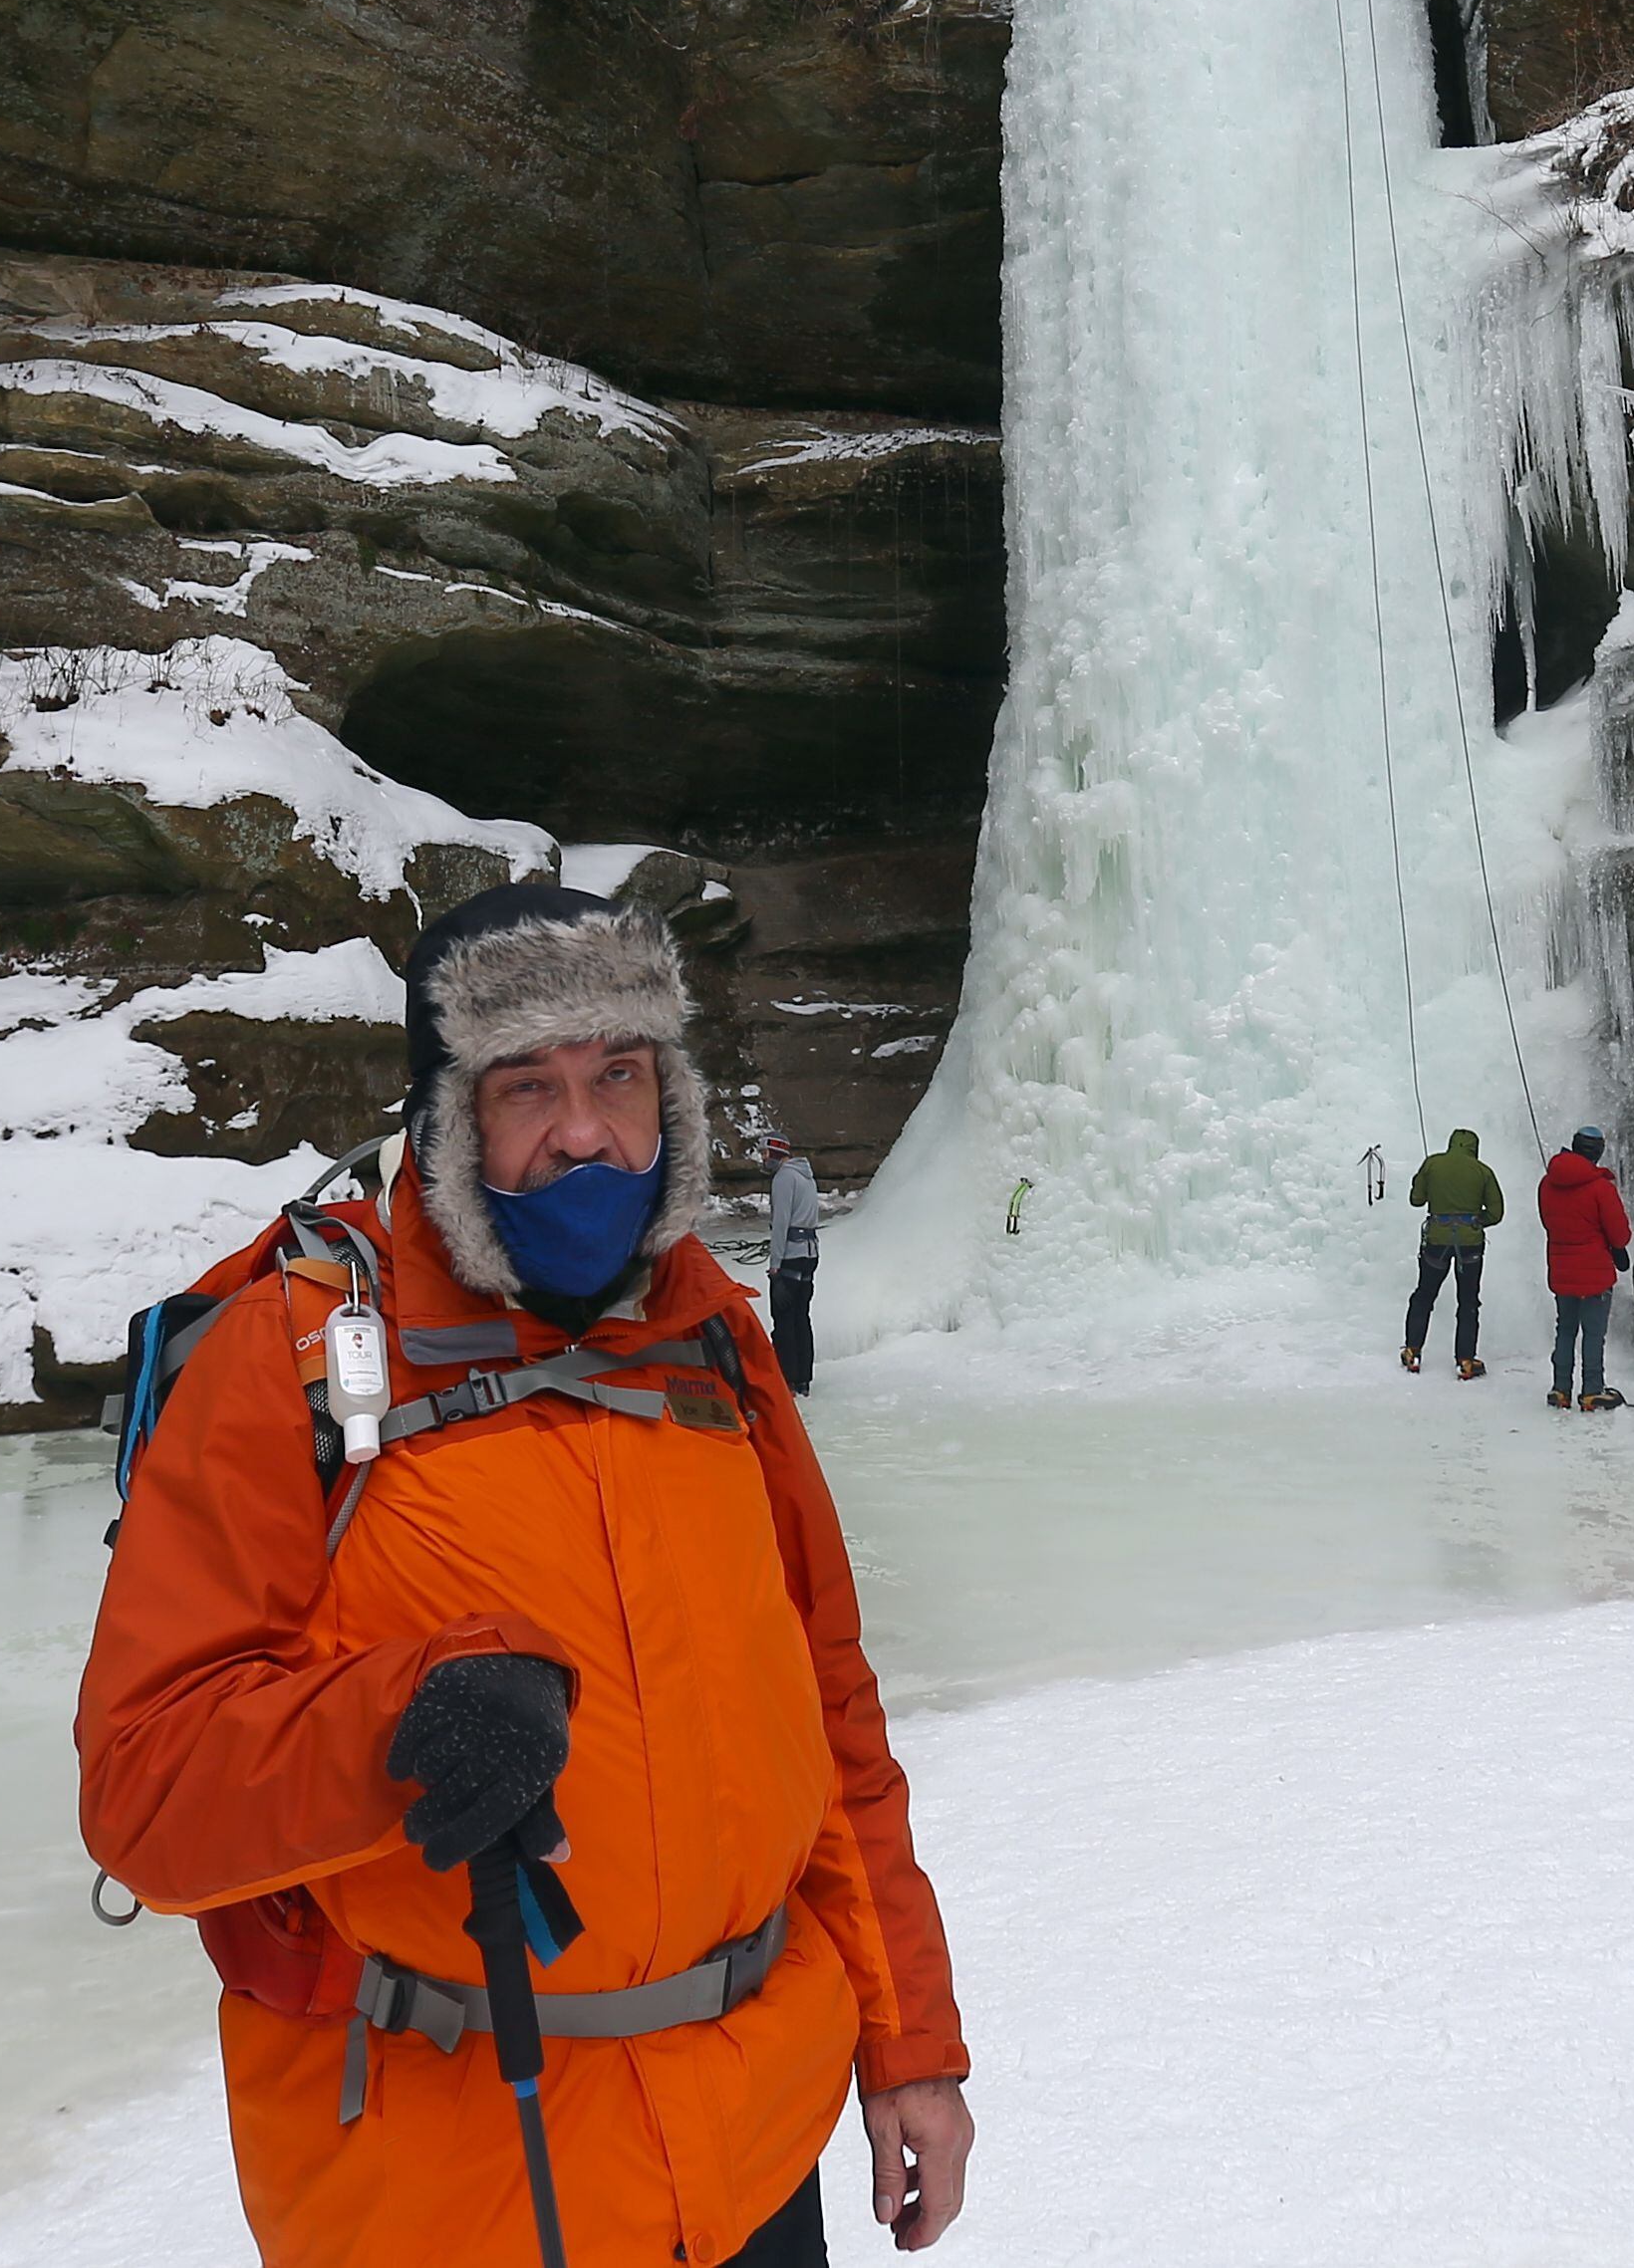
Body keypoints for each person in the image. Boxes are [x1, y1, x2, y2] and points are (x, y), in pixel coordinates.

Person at [79, 882, 971, 2267]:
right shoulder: (291, 1357)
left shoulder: (716, 1345)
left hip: (749, 2156)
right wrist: (396, 1731)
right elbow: (144, 1787)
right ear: (448, 1120)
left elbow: (829, 1718)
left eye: (619, 1075)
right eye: (527, 1085)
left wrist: (908, 2041)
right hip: (456, 2194)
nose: (582, 1130)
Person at [1538, 1125, 1633, 1413]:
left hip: (1561, 1270)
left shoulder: (1547, 1184)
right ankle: (1592, 1391)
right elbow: (1620, 1236)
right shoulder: (1601, 1188)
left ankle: (1560, 1389)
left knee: (1565, 1330)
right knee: (1593, 1333)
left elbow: (1548, 1222)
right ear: (1598, 1152)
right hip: (1595, 1273)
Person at [1402, 1124, 1503, 1376]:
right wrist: (1477, 1221)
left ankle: (1413, 1351)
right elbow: (1496, 1213)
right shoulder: (1483, 1172)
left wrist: (1421, 1180)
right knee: (1468, 1301)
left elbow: (1416, 1200)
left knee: (1424, 1294)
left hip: (1436, 1241)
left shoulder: (1433, 1164)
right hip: (1470, 1244)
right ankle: (1465, 1360)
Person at [763, 1133, 822, 1396]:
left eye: (765, 1153)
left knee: (784, 1317)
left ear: (776, 1153)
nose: (763, 1159)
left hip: (790, 1255)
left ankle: (786, 1380)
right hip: (810, 1255)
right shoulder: (806, 1176)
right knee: (801, 1316)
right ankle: (803, 1380)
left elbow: (781, 1224)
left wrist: (775, 1265)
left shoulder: (784, 1177)